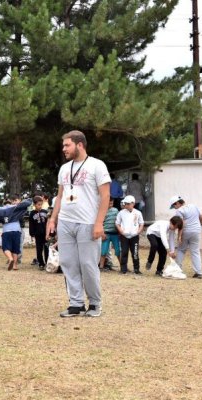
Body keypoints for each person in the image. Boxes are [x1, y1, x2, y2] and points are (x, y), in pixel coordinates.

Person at [46, 130, 111, 318]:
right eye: (63, 145)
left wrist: (99, 223)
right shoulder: (64, 169)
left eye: (67, 145)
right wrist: (53, 219)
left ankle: (95, 304)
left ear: (79, 145)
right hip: (66, 222)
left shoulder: (97, 166)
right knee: (68, 263)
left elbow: (105, 196)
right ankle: (76, 304)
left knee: (88, 264)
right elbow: (60, 196)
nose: (63, 149)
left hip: (88, 222)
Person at [0, 196, 32, 271]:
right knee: (15, 249)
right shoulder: (16, 209)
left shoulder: (1, 211)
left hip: (6, 231)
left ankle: (10, 259)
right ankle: (15, 265)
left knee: (6, 247)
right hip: (17, 230)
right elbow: (28, 202)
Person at [170, 195, 202, 278]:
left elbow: (181, 224)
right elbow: (201, 217)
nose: (174, 208)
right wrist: (199, 225)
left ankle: (177, 270)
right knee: (195, 251)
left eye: (174, 206)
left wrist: (179, 236)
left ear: (178, 203)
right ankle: (198, 272)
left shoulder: (179, 211)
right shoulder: (194, 206)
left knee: (181, 250)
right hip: (196, 230)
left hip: (186, 232)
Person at [115, 195, 144, 275]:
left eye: (128, 203)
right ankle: (123, 269)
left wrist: (138, 232)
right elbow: (117, 223)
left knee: (135, 253)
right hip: (124, 236)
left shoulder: (138, 213)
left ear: (133, 203)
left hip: (134, 236)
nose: (126, 205)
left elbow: (141, 223)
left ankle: (136, 269)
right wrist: (121, 231)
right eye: (125, 203)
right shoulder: (121, 213)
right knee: (124, 252)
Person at [99, 198, 120, 271]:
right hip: (106, 234)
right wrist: (102, 233)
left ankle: (123, 267)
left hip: (115, 234)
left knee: (118, 250)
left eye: (111, 202)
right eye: (109, 202)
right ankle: (101, 267)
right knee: (104, 251)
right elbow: (100, 222)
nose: (110, 204)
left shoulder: (116, 211)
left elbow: (119, 221)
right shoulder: (102, 211)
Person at [28, 196, 49, 270]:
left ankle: (47, 262)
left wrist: (49, 232)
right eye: (38, 205)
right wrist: (32, 234)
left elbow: (48, 223)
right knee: (39, 250)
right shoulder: (32, 214)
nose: (40, 206)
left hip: (46, 234)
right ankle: (41, 263)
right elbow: (31, 225)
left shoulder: (45, 212)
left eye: (41, 204)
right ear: (34, 205)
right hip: (38, 235)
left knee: (47, 249)